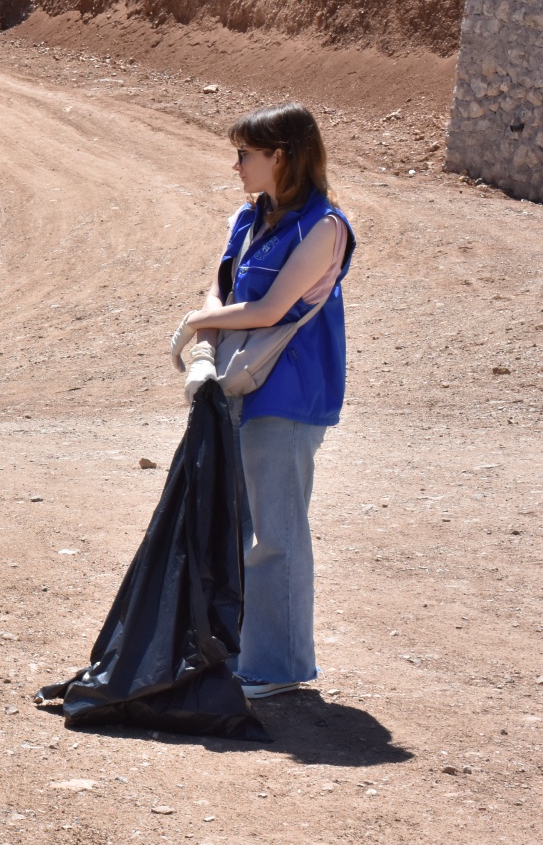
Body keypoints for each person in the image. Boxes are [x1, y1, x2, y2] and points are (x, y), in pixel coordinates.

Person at [170, 103, 355, 699]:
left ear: (281, 156)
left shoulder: (324, 227)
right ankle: (249, 652)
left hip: (290, 394)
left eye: (245, 154)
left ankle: (278, 668)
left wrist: (197, 322)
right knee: (243, 525)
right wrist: (206, 333)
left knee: (275, 532)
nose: (236, 165)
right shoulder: (250, 219)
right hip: (240, 386)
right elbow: (223, 285)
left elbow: (272, 309)